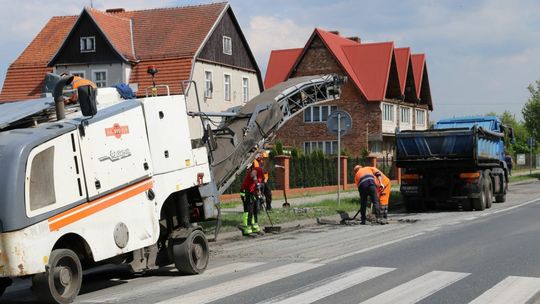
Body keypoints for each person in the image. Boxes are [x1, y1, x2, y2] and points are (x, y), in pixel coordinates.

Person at [240, 164, 264, 236]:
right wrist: (257, 184)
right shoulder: (258, 170)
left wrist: (260, 195)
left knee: (255, 210)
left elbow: (258, 186)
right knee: (248, 210)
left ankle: (254, 227)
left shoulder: (263, 174)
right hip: (246, 192)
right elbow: (253, 174)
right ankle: (247, 228)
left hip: (252, 192)